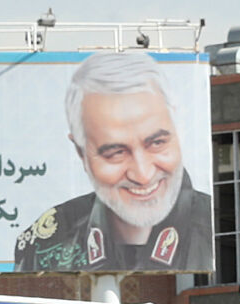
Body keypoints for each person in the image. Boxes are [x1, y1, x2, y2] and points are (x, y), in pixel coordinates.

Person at [14, 51, 213, 272]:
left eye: (156, 143)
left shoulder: (216, 228)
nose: (143, 174)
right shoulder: (48, 242)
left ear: (179, 129)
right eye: (116, 153)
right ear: (81, 152)